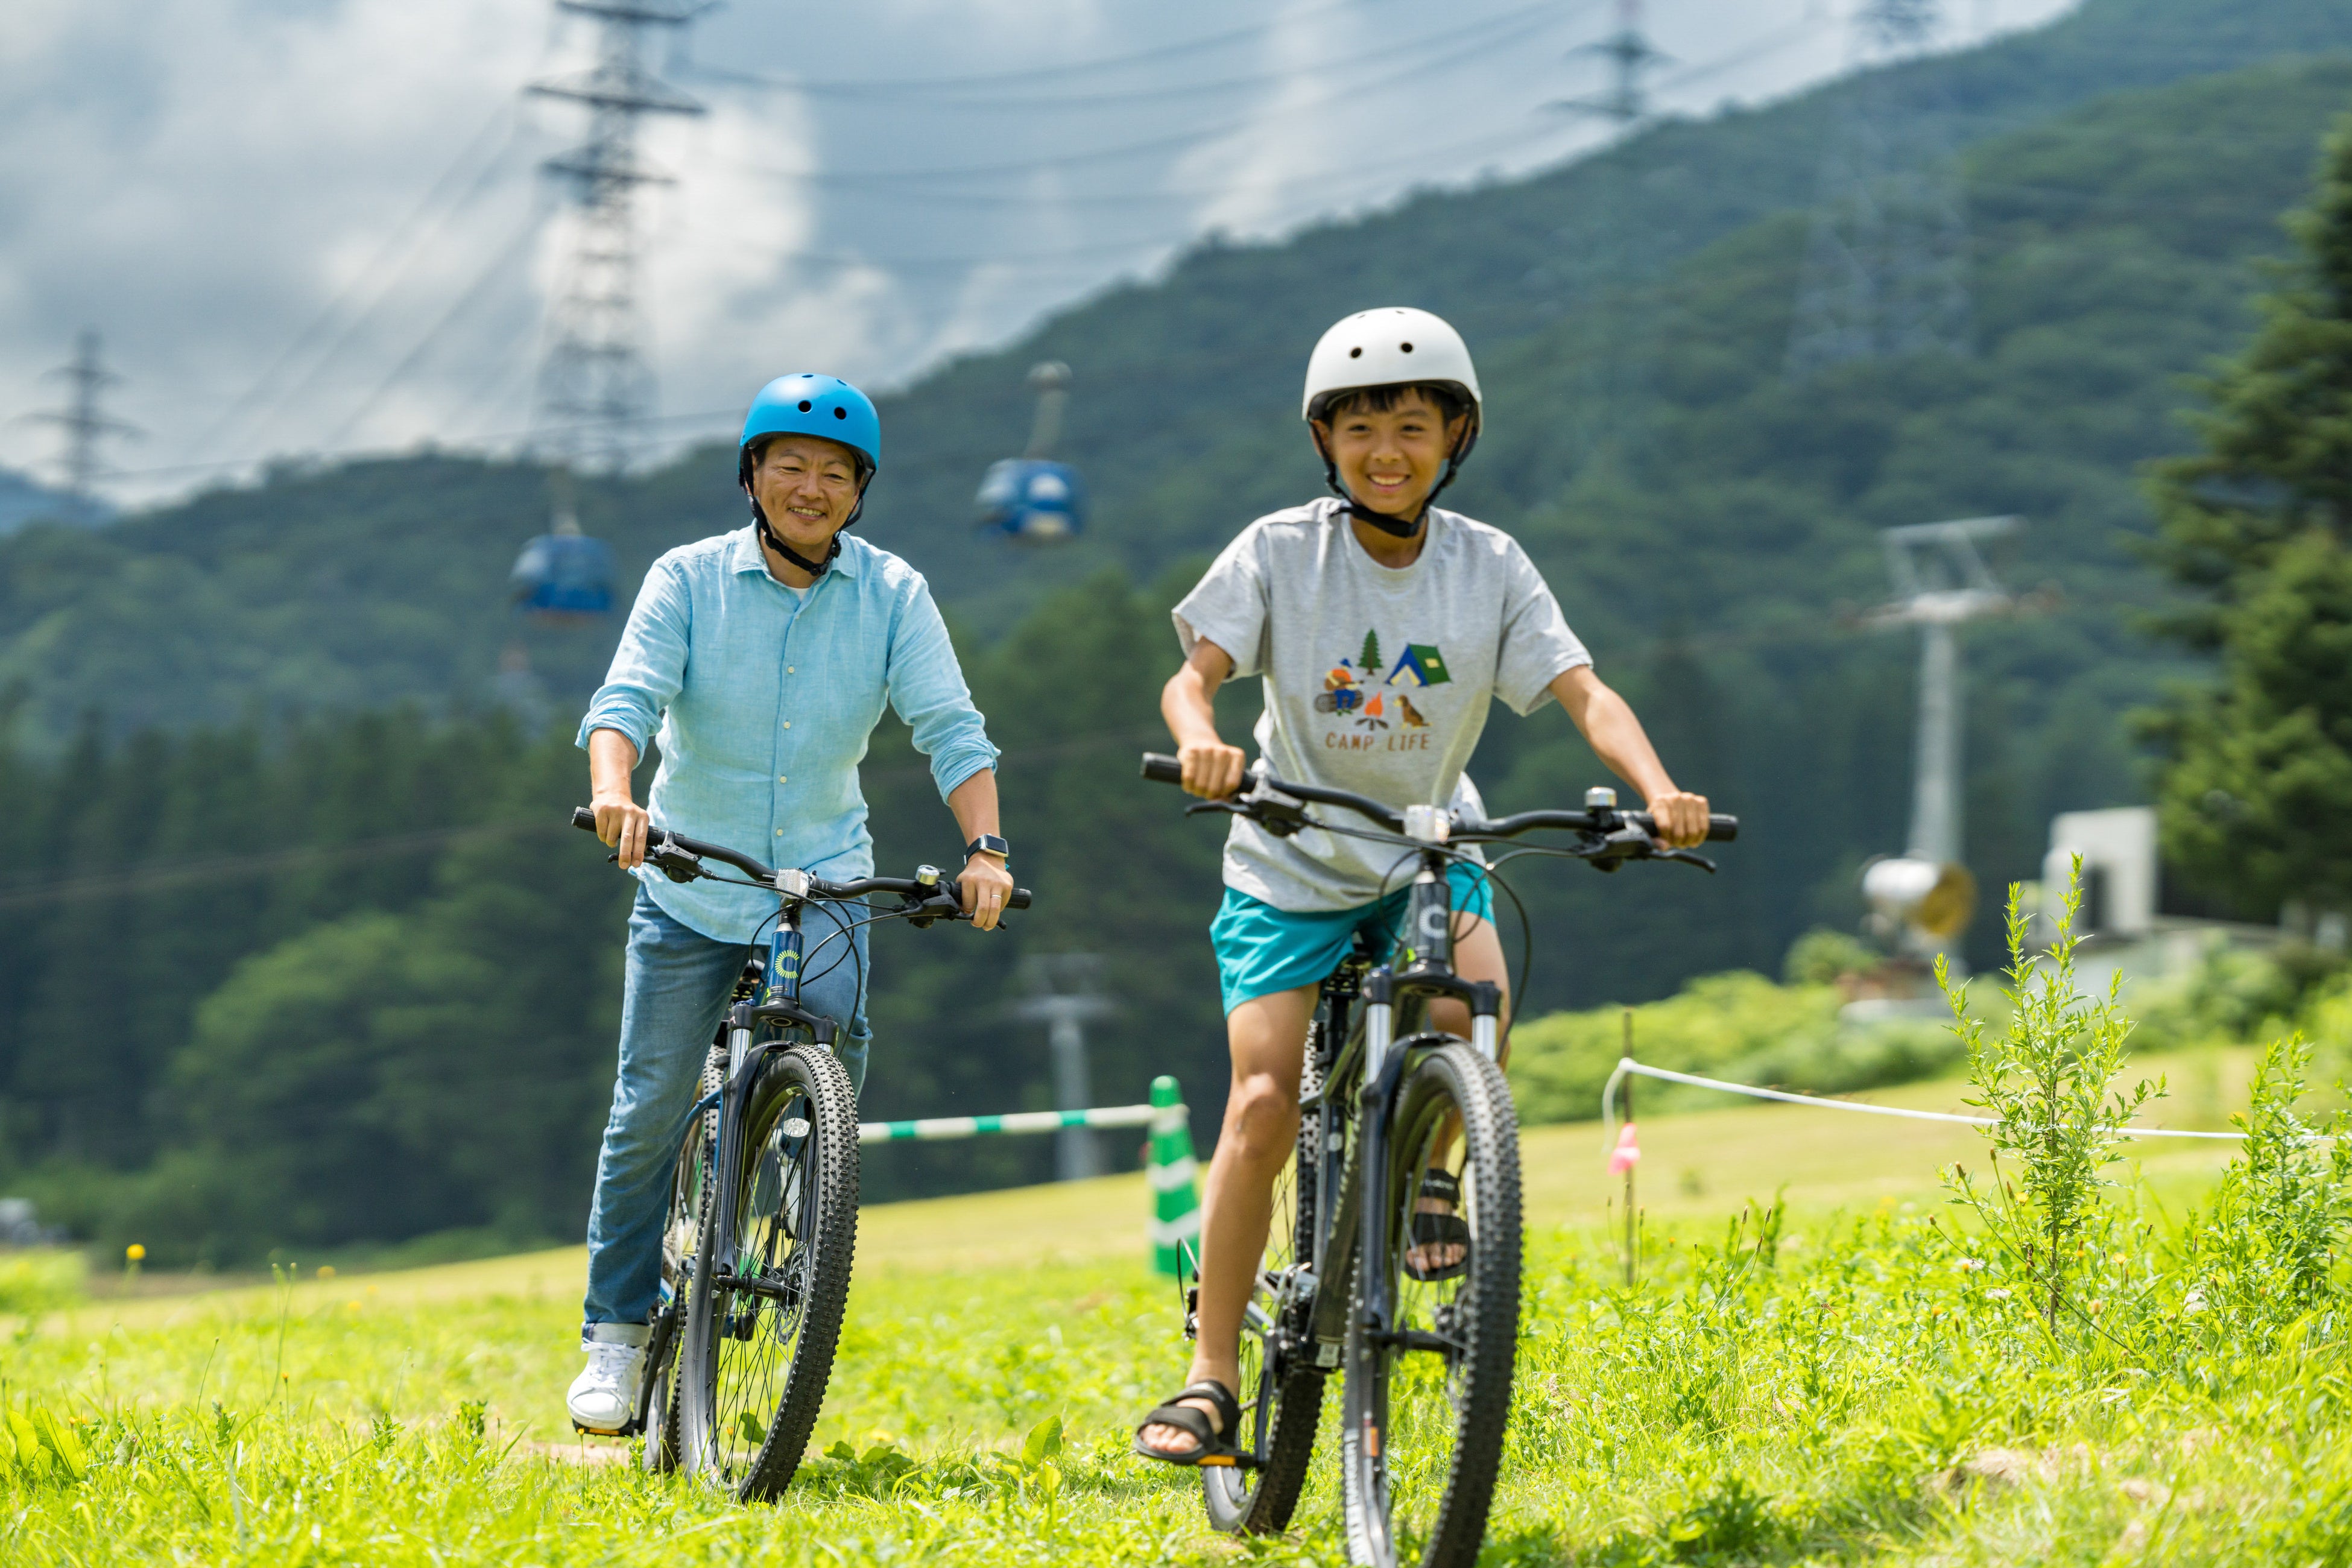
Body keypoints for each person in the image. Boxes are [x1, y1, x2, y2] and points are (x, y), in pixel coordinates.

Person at [1133, 308, 1712, 1464]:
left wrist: (1657, 789)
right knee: (1261, 1102)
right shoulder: (1279, 551)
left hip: (1425, 850)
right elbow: (1191, 679)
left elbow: (1585, 691)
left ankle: (1430, 1182)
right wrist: (1203, 740)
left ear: (1456, 437)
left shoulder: (1488, 566)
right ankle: (1210, 1378)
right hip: (1290, 856)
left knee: (1471, 1013)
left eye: (1411, 426)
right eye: (1359, 429)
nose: (1385, 451)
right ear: (1325, 442)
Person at [566, 374, 1019, 1434]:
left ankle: (779, 1217)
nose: (811, 488)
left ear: (860, 493)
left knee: (831, 1080)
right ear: (752, 476)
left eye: (835, 474)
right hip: (691, 876)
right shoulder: (687, 579)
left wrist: (986, 849)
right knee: (647, 1109)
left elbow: (952, 730)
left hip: (825, 879)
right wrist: (615, 794)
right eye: (791, 467)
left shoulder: (893, 594)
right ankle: (616, 1338)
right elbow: (625, 702)